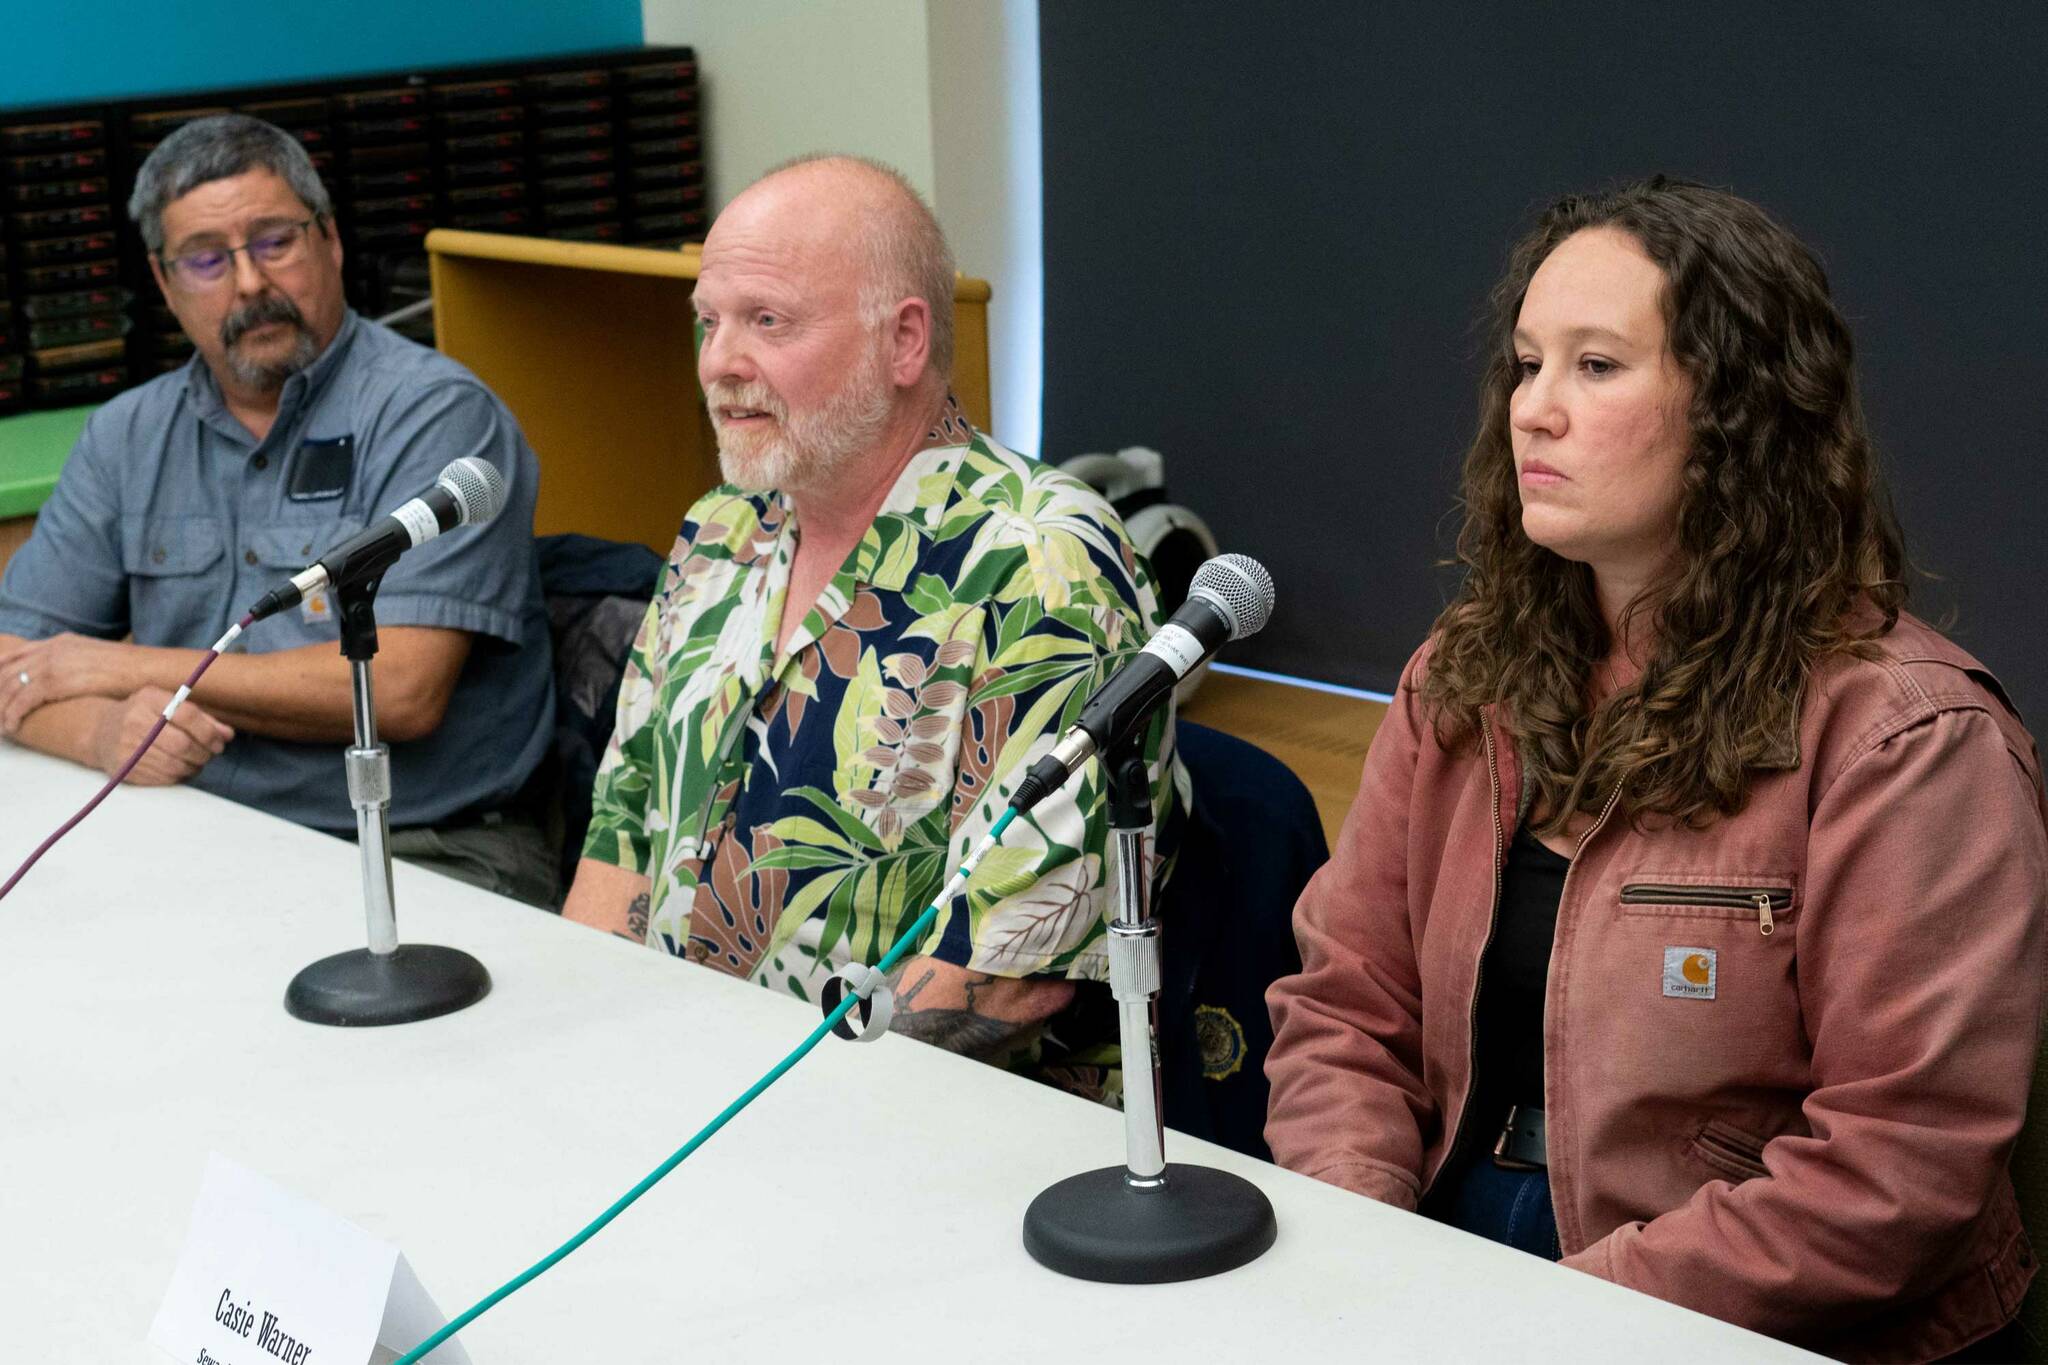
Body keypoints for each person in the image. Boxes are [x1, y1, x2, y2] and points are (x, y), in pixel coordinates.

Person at [1263, 178, 2047, 1362]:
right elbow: (1343, 1007)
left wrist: (1552, 1318)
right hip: (1443, 1237)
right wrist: (1363, 1232)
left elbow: (1897, 1167)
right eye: (1525, 366)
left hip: (1729, 1305)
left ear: (1737, 414)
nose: (1531, 411)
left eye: (1595, 366)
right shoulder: (1461, 677)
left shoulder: (1908, 738)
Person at [563, 155, 1183, 1099]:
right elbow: (620, 839)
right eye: (709, 321)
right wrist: (579, 1068)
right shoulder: (719, 534)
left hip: (914, 1127)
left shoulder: (1038, 566)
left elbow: (1001, 980)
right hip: (669, 1093)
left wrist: (727, 1122)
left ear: (902, 342)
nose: (718, 363)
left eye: (766, 320)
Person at [0, 115, 558, 907]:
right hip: (198, 830)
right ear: (163, 284)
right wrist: (100, 733)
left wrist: (126, 667)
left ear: (329, 240)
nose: (251, 284)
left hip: (423, 845)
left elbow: (400, 690)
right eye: (206, 260)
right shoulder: (129, 433)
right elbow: (12, 662)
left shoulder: (436, 414)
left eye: (274, 242)